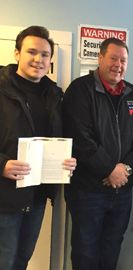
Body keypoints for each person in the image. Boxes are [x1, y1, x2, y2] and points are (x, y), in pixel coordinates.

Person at [62, 38, 133, 270]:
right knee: (85, 251)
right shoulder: (80, 90)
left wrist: (126, 169)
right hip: (88, 190)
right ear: (100, 58)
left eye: (123, 60)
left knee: (112, 248)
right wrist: (109, 169)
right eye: (113, 58)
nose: (118, 65)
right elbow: (80, 139)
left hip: (122, 191)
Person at [0, 25, 76, 270]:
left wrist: (67, 160)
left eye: (44, 54)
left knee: (23, 258)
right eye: (32, 52)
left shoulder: (54, 94)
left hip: (37, 195)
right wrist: (1, 164)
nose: (38, 59)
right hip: (4, 196)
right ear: (17, 53)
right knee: (4, 260)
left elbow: (58, 137)